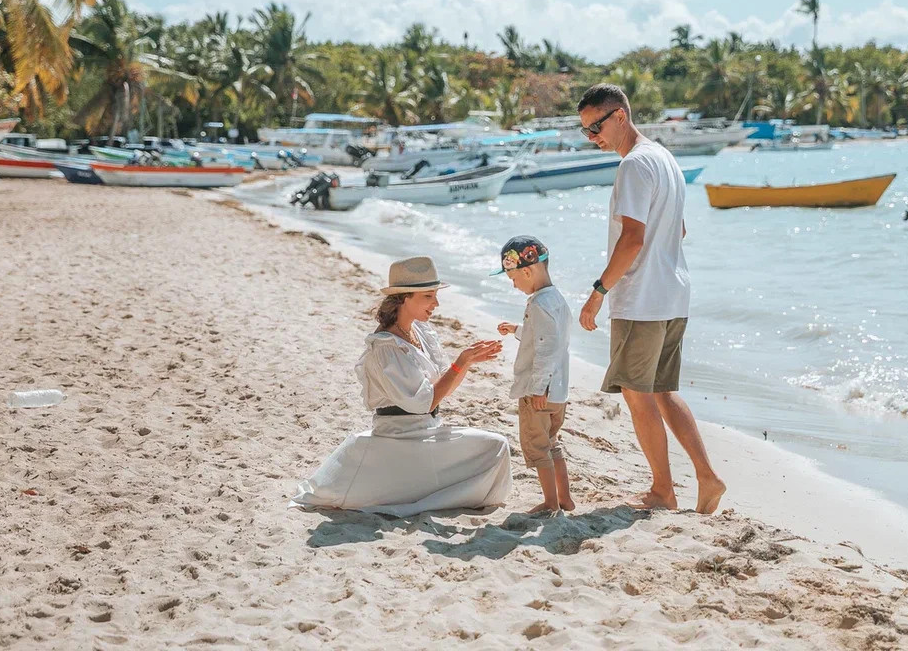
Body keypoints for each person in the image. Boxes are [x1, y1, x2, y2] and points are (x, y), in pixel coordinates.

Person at [575, 83, 727, 514]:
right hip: (674, 294)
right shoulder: (665, 159)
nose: (593, 138)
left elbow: (633, 239)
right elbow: (678, 231)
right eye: (586, 131)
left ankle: (663, 490)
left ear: (620, 116)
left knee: (637, 393)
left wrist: (598, 292)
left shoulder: (634, 166)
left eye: (596, 127)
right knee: (662, 390)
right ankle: (707, 476)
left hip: (641, 299)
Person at [290, 256, 512, 517]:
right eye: (428, 296)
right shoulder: (385, 348)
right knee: (496, 445)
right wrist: (461, 361)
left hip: (427, 429)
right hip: (401, 438)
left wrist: (466, 363)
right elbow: (425, 402)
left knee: (496, 447)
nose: (436, 303)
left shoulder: (421, 333)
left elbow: (442, 389)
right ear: (405, 298)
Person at [493, 236, 574, 514]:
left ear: (527, 271)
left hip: (538, 391)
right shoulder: (557, 300)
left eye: (513, 278)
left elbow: (545, 348)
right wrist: (517, 330)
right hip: (559, 391)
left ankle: (551, 503)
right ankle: (565, 497)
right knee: (552, 443)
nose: (513, 285)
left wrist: (538, 388)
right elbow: (547, 337)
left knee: (538, 447)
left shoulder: (539, 303)